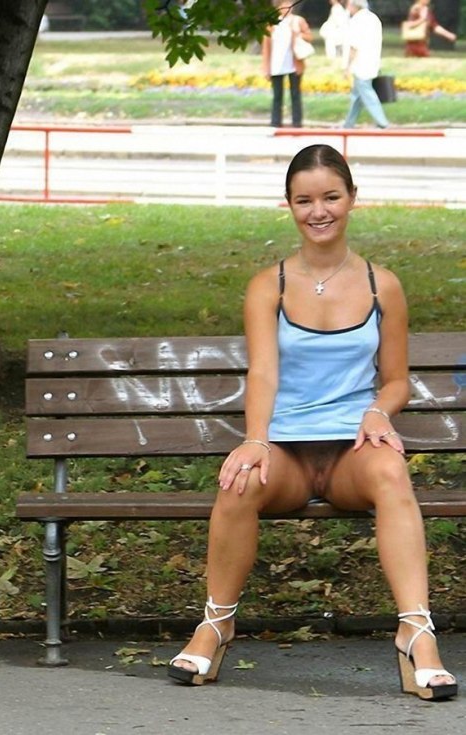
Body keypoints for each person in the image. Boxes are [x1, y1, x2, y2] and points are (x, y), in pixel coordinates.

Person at [167, 144, 458, 701]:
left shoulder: (381, 285)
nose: (318, 211)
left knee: (392, 472)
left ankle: (416, 632)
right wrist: (255, 440)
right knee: (238, 481)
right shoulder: (269, 285)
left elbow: (396, 379)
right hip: (288, 454)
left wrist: (378, 410)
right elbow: (263, 372)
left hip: (352, 450)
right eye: (304, 200)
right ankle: (216, 624)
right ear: (289, 205)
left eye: (330, 197)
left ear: (352, 199)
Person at [262, 0, 313, 128]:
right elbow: (266, 48)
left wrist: (298, 34)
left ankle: (297, 123)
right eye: (283, 5)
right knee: (277, 96)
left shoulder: (298, 21)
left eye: (288, 5)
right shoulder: (271, 24)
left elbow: (309, 36)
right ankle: (275, 123)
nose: (287, 8)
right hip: (276, 65)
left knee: (295, 94)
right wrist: (266, 67)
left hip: (294, 64)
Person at [342, 0, 388, 129]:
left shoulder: (357, 20)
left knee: (367, 94)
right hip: (372, 61)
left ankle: (382, 122)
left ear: (354, 6)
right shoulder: (374, 18)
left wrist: (347, 67)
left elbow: (354, 46)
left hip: (360, 63)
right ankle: (348, 124)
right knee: (357, 96)